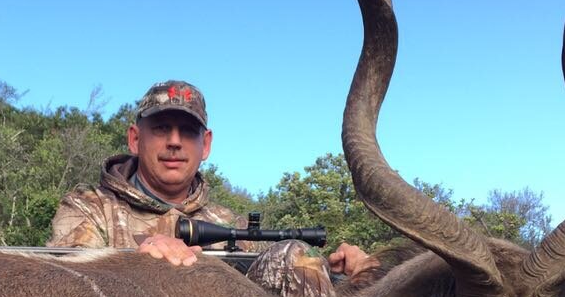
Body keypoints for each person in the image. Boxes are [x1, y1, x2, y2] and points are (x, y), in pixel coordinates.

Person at [48, 79, 376, 278]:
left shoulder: (230, 225)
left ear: (205, 145)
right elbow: (69, 285)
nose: (174, 141)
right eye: (161, 129)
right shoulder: (88, 209)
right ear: (135, 139)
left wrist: (340, 271)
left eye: (187, 131)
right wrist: (140, 259)